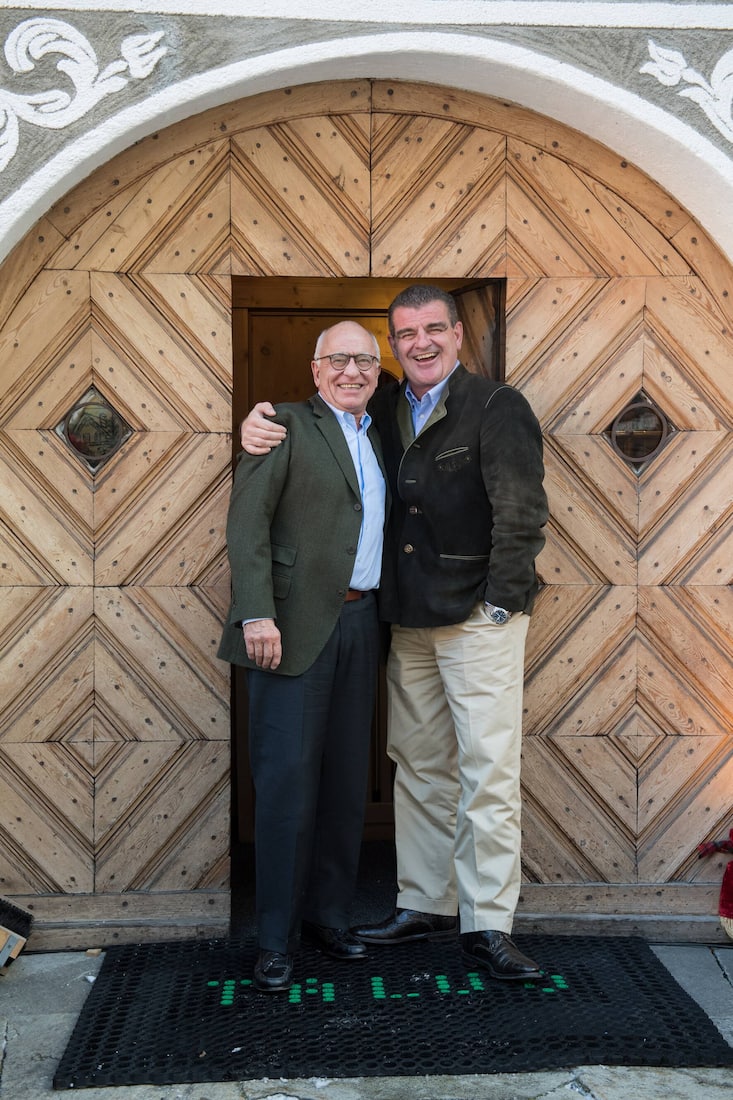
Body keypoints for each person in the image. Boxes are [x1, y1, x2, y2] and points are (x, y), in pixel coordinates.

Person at [240, 285, 548, 982]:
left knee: (487, 771)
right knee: (417, 767)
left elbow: (522, 514)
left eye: (433, 329)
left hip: (475, 619)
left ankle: (488, 923)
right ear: (391, 348)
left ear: (457, 335)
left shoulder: (495, 406)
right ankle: (425, 902)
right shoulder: (378, 407)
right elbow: (310, 435)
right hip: (404, 621)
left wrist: (499, 606)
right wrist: (254, 422)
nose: (420, 343)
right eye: (405, 333)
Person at [219, 320, 387, 992]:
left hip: (362, 621)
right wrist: (256, 610)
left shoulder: (382, 432)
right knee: (287, 783)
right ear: (316, 370)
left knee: (347, 782)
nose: (352, 371)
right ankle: (274, 938)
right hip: (287, 626)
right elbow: (246, 522)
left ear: (378, 371)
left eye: (365, 361)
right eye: (338, 360)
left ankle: (330, 917)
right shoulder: (283, 424)